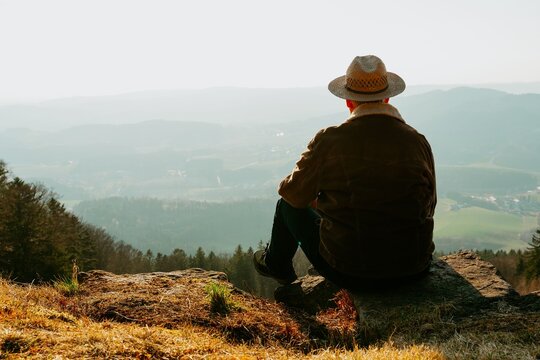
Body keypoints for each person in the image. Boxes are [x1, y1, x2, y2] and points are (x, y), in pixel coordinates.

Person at [253, 55, 436, 290]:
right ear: (388, 97)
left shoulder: (330, 140)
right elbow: (429, 204)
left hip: (350, 271)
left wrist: (321, 202)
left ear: (348, 101)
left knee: (286, 206)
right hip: (413, 268)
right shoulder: (417, 142)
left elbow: (293, 194)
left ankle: (278, 269)